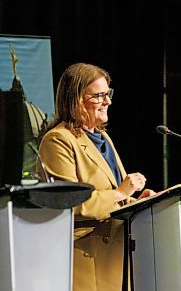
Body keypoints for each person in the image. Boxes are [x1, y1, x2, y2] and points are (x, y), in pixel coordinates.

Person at [38, 63, 155, 291]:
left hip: (116, 253)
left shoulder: (102, 138)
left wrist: (139, 201)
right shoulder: (58, 140)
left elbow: (115, 197)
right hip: (85, 256)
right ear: (76, 99)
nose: (108, 101)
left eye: (108, 93)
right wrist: (121, 192)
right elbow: (69, 201)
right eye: (99, 95)